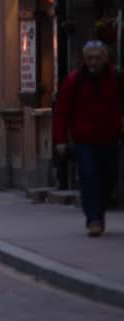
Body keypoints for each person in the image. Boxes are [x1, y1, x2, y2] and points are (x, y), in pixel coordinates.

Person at [54, 40, 123, 237]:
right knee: (89, 176)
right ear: (84, 59)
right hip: (84, 140)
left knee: (110, 179)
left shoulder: (116, 79)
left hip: (110, 137)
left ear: (105, 58)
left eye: (98, 58)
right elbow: (62, 112)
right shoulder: (74, 81)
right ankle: (93, 219)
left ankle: (98, 213)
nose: (94, 62)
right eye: (90, 58)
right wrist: (60, 140)